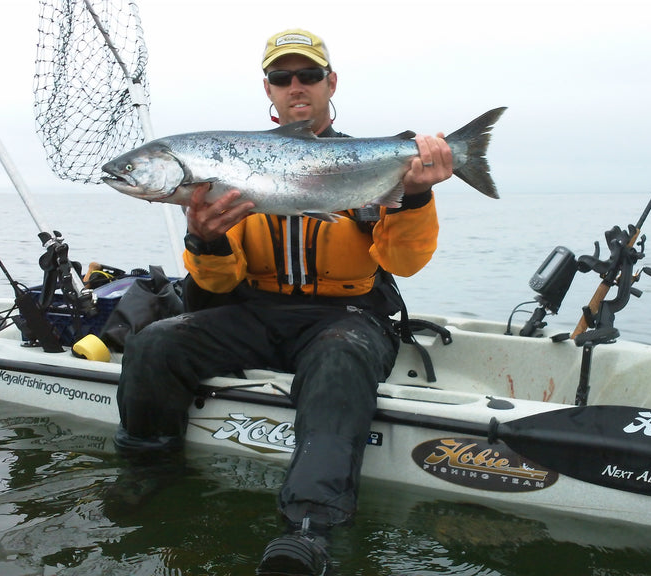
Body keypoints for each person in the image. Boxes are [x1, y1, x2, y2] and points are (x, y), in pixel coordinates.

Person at [114, 28, 454, 575]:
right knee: (153, 343)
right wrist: (204, 238)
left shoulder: (364, 162)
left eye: (309, 75)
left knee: (341, 358)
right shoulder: (229, 166)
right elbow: (218, 289)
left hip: (345, 319)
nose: (296, 85)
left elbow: (404, 263)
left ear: (330, 82)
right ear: (268, 90)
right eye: (282, 77)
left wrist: (415, 194)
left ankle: (309, 530)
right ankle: (146, 473)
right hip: (255, 312)